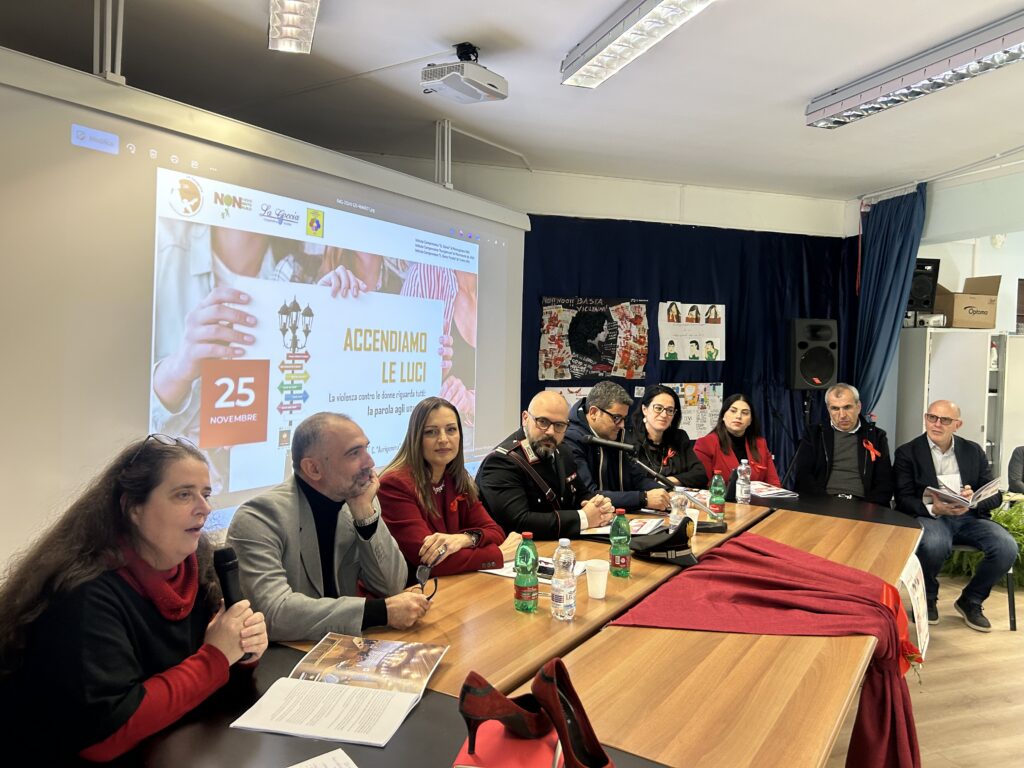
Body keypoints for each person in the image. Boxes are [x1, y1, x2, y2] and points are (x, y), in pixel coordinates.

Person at [0, 435, 268, 761]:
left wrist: (242, 649)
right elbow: (105, 737)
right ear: (133, 508)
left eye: (206, 494)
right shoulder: (84, 593)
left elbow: (208, 681)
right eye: (184, 494)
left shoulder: (198, 566)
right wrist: (216, 657)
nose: (205, 507)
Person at [227, 412, 428, 641]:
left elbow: (391, 586)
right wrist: (378, 612)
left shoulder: (358, 500)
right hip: (284, 652)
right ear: (313, 469)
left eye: (366, 449)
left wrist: (364, 515)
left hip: (339, 645)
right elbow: (272, 613)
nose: (370, 463)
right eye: (354, 453)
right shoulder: (259, 518)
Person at [894, 400, 1018, 631]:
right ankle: (928, 598)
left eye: (945, 420)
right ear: (926, 418)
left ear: (957, 425)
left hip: (969, 517)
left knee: (1006, 547)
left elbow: (995, 495)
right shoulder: (907, 452)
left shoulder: (973, 451)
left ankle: (971, 600)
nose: (937, 424)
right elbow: (903, 498)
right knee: (935, 543)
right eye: (932, 417)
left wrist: (973, 501)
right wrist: (933, 508)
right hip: (931, 517)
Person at [378, 397, 521, 580]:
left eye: (451, 430)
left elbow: (495, 532)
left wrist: (465, 539)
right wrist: (499, 554)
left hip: (452, 583)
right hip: (413, 591)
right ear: (416, 438)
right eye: (431, 432)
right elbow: (431, 561)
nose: (443, 439)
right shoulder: (394, 485)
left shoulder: (455, 478)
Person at [476, 391, 614, 539]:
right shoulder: (501, 462)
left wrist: (598, 506)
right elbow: (518, 523)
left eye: (559, 425)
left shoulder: (563, 451)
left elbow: (580, 493)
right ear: (525, 418)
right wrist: (584, 518)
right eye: (542, 422)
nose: (550, 432)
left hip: (562, 544)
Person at [563, 381, 671, 511]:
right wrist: (643, 499)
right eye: (616, 418)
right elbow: (589, 494)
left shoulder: (615, 433)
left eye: (624, 418)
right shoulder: (571, 439)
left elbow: (636, 479)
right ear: (593, 413)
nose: (622, 425)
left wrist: (668, 494)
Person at [793, 383, 893, 505]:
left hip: (863, 504)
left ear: (858, 407)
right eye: (835, 408)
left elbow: (884, 483)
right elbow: (803, 477)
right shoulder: (814, 434)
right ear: (828, 409)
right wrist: (824, 503)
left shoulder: (876, 437)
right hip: (822, 502)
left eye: (847, 407)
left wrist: (867, 507)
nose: (842, 415)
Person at [627, 384, 707, 489]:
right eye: (658, 408)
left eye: (670, 410)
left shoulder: (679, 437)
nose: (664, 415)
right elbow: (628, 481)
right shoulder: (628, 439)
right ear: (644, 409)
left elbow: (700, 474)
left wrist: (669, 481)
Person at [694, 393, 781, 485]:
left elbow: (774, 484)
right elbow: (701, 484)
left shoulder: (760, 444)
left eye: (745, 413)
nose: (738, 416)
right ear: (723, 416)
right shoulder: (705, 444)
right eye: (733, 411)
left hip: (756, 495)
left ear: (750, 420)